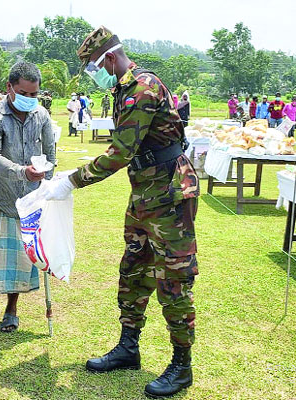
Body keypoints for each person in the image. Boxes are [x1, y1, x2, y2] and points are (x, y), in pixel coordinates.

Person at [43, 25, 199, 399]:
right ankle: (129, 346)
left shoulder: (142, 88)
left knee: (173, 279)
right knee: (133, 268)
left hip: (170, 194)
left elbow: (121, 151)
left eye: (95, 66)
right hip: (145, 191)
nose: (95, 75)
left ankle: (182, 365)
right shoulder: (123, 89)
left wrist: (72, 180)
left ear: (110, 58)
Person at [0, 61, 55, 333]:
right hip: (0, 195)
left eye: (35, 94)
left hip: (31, 199)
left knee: (22, 256)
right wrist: (22, 172)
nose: (31, 99)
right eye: (24, 93)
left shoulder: (42, 116)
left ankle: (12, 308)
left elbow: (51, 154)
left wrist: (48, 180)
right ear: (9, 88)